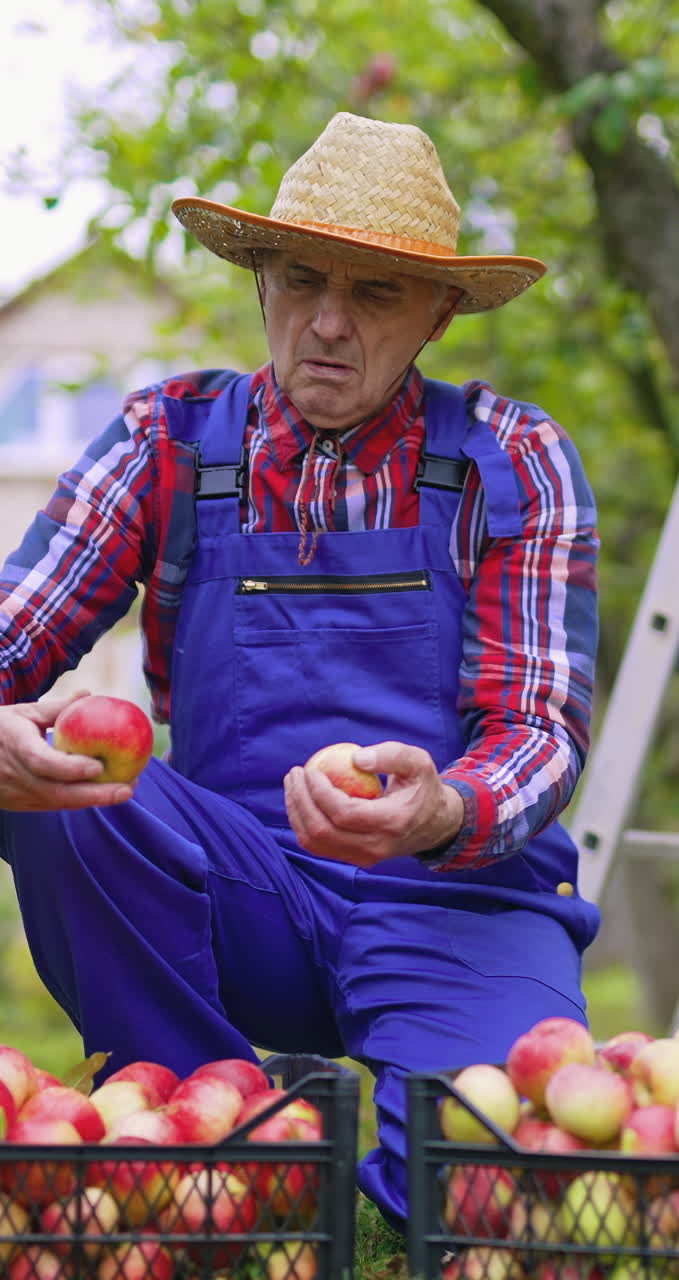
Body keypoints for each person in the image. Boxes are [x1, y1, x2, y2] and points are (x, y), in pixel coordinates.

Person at [0, 112, 601, 1229]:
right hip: (243, 892)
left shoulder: (513, 462)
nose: (325, 321)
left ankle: (398, 1173)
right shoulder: (166, 440)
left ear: (438, 312)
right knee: (68, 788)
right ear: (261, 277)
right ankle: (212, 1145)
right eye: (301, 277)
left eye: (375, 293)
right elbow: (8, 638)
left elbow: (541, 727)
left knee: (479, 1189)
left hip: (457, 893)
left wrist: (445, 803)